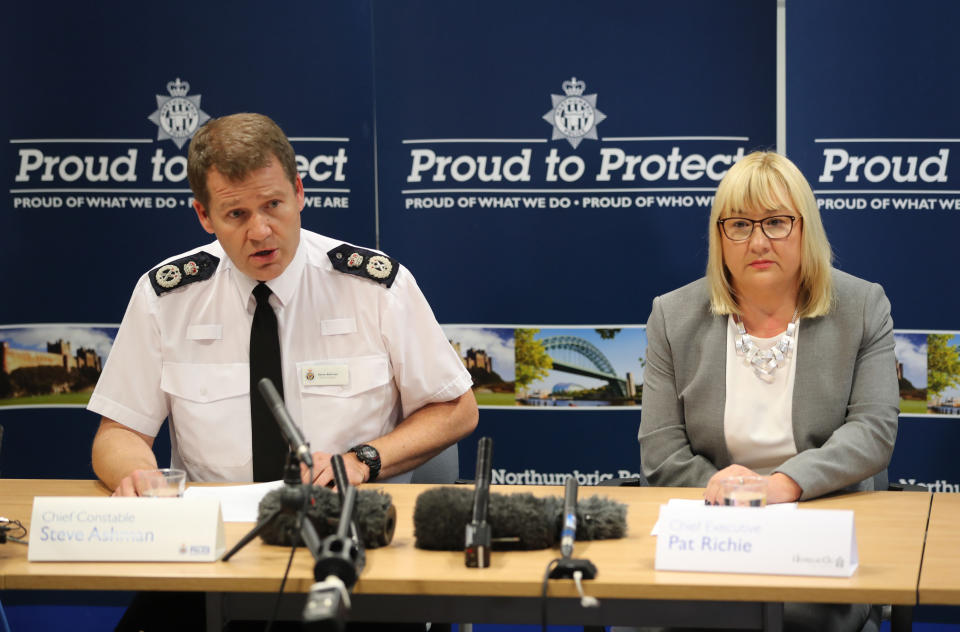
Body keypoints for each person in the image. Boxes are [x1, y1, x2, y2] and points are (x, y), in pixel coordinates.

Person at [88, 113, 478, 631]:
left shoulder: (373, 287)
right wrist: (136, 472)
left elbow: (456, 409)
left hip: (349, 547)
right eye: (236, 214)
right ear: (204, 216)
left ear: (299, 192)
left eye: (273, 204)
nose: (261, 231)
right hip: (215, 553)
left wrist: (363, 460)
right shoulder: (166, 296)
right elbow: (118, 432)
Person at [637, 151, 898, 632]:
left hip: (817, 526)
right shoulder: (672, 316)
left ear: (805, 228)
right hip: (711, 528)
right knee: (653, 616)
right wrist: (728, 497)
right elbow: (660, 450)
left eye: (776, 222)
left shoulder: (862, 306)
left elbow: (873, 432)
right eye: (739, 224)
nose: (758, 240)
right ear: (720, 236)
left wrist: (780, 486)